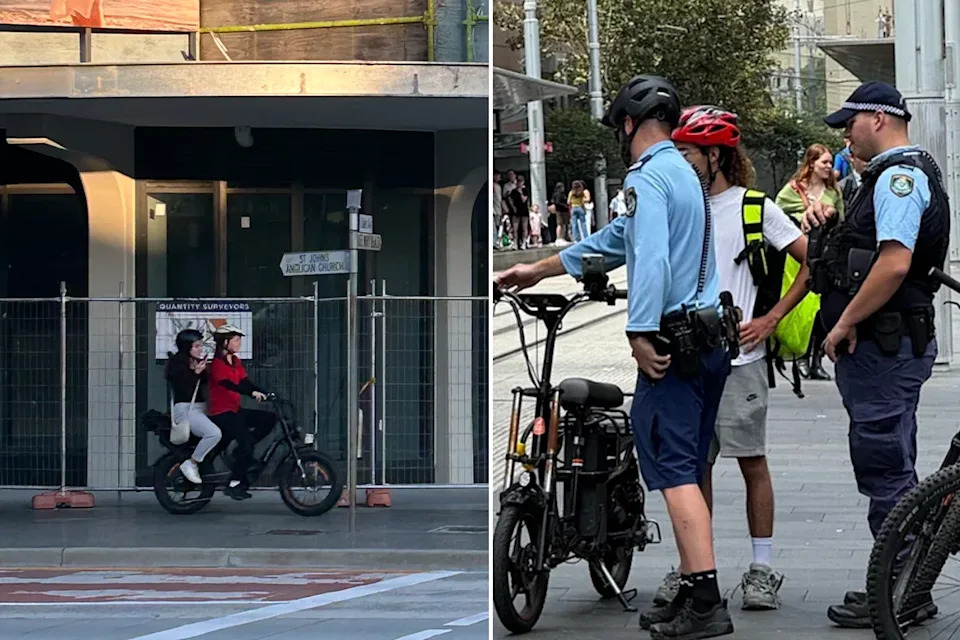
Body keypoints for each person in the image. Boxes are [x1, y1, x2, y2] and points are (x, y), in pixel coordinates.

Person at [498, 74, 735, 640]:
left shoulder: (649, 176)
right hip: (709, 342)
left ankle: (706, 602)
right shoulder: (685, 173)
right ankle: (692, 586)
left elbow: (648, 260)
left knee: (674, 472)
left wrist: (639, 331)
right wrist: (539, 268)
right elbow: (614, 242)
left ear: (628, 124)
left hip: (674, 347)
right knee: (689, 468)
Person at [803, 81, 948, 628]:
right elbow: (863, 254)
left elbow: (892, 263)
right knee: (890, 460)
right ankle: (909, 579)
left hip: (885, 346)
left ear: (880, 120)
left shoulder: (900, 179)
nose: (845, 133)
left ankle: (902, 586)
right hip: (887, 347)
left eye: (851, 122)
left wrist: (844, 322)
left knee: (884, 462)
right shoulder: (881, 179)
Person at [656, 105, 811, 613]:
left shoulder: (755, 207)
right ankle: (696, 570)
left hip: (741, 362)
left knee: (751, 463)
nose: (679, 160)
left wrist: (769, 320)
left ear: (715, 156)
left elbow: (812, 262)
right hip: (687, 361)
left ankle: (761, 569)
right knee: (691, 468)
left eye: (686, 152)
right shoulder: (679, 206)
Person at [776, 144, 844, 381]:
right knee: (800, 309)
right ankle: (799, 356)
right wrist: (801, 217)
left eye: (830, 162)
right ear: (812, 163)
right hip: (799, 258)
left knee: (819, 310)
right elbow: (777, 220)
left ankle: (815, 359)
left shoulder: (833, 193)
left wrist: (831, 216)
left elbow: (842, 223)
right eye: (825, 162)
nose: (829, 167)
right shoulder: (791, 191)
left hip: (826, 257)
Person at [207, 324, 276, 500]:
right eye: (236, 340)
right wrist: (251, 393)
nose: (239, 344)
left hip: (235, 410)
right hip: (221, 413)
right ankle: (234, 483)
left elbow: (245, 382)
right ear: (225, 342)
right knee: (246, 442)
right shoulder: (217, 364)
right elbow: (230, 385)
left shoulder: (235, 361)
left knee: (269, 419)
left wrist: (265, 392)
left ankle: (242, 453)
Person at [164, 329, 222, 485]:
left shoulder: (196, 363)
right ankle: (193, 462)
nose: (200, 349)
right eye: (196, 346)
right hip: (186, 409)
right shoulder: (177, 364)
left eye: (201, 346)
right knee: (214, 433)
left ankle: (204, 465)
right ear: (186, 347)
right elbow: (182, 387)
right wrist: (195, 373)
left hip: (200, 408)